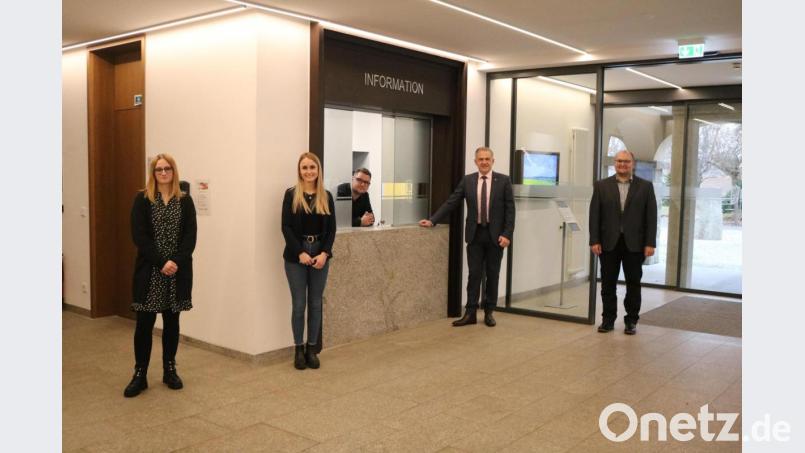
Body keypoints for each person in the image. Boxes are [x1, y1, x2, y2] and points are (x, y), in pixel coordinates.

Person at [125, 153, 197, 397]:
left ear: (174, 172)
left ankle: (169, 370)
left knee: (171, 323)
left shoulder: (185, 201)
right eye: (159, 170)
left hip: (176, 273)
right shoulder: (142, 199)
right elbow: (139, 236)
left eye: (167, 169)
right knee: (144, 325)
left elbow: (190, 237)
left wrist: (174, 262)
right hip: (151, 271)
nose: (163, 173)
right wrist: (161, 261)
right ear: (153, 173)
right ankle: (140, 374)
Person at [419, 147, 515, 327]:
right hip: (475, 235)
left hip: (496, 237)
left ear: (493, 161)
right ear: (475, 161)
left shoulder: (503, 181)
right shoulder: (468, 180)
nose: (484, 162)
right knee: (474, 275)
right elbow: (452, 201)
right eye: (481, 159)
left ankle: (489, 312)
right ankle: (470, 313)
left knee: (492, 275)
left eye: (487, 159)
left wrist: (507, 234)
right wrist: (433, 220)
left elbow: (510, 211)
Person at [589, 149, 657, 335]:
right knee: (608, 284)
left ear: (632, 164)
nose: (622, 164)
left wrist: (650, 243)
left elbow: (651, 217)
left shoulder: (645, 186)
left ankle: (631, 321)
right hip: (608, 243)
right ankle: (608, 320)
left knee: (633, 284)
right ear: (614, 163)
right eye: (619, 161)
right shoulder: (601, 186)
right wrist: (594, 240)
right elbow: (594, 215)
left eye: (626, 161)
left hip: (635, 244)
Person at [282, 152, 336, 369]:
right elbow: (285, 227)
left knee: (315, 304)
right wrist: (300, 253)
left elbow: (331, 229)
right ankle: (298, 349)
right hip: (297, 255)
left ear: (318, 170)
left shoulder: (327, 196)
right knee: (299, 305)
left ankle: (311, 349)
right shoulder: (291, 194)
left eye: (312, 167)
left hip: (320, 253)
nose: (308, 171)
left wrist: (324, 253)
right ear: (299, 171)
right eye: (304, 168)